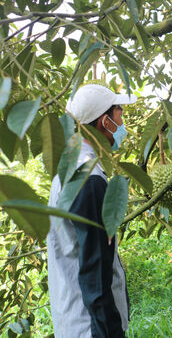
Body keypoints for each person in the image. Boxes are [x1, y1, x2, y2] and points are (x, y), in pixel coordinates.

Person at [47, 84, 137, 337]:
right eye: (119, 112)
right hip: (91, 328)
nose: (122, 121)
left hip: (74, 321)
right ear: (104, 121)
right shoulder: (89, 179)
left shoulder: (68, 168)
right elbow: (95, 272)